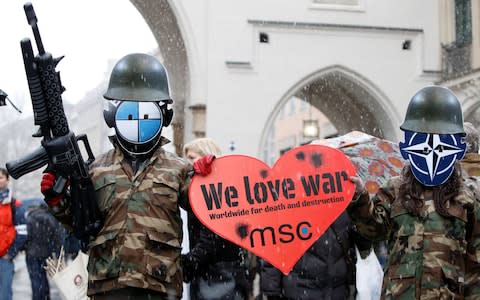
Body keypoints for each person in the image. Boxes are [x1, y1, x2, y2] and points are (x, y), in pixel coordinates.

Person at [40, 53, 210, 299]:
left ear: (165, 117)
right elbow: (79, 223)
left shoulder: (179, 169)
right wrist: (56, 200)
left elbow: (210, 210)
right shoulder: (95, 169)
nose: (139, 121)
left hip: (159, 285)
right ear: (112, 116)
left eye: (147, 111)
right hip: (108, 286)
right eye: (130, 111)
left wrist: (213, 178)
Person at [348, 86, 480, 298]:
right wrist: (360, 198)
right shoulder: (395, 188)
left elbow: (475, 263)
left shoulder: (468, 196)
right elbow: (372, 231)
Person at [182, 138, 250, 300]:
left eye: (192, 158)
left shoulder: (215, 188)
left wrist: (188, 263)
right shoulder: (204, 186)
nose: (187, 163)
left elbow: (211, 237)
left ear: (207, 155)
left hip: (217, 274)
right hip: (217, 272)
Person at [260, 211, 372, 300]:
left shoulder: (347, 198)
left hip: (337, 291)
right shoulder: (290, 200)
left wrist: (361, 207)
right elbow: (274, 246)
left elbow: (364, 244)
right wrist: (272, 291)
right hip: (299, 290)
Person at [25, 202, 64, 300]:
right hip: (46, 253)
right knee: (44, 279)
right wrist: (58, 252)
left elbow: (26, 236)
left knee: (36, 280)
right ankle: (46, 297)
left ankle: (37, 298)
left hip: (32, 254)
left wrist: (24, 247)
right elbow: (57, 237)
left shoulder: (31, 218)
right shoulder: (50, 218)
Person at [0, 168, 27, 300]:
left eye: (0, 178)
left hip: (4, 259)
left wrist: (11, 253)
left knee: (4, 295)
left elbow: (22, 232)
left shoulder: (14, 204)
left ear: (7, 180)